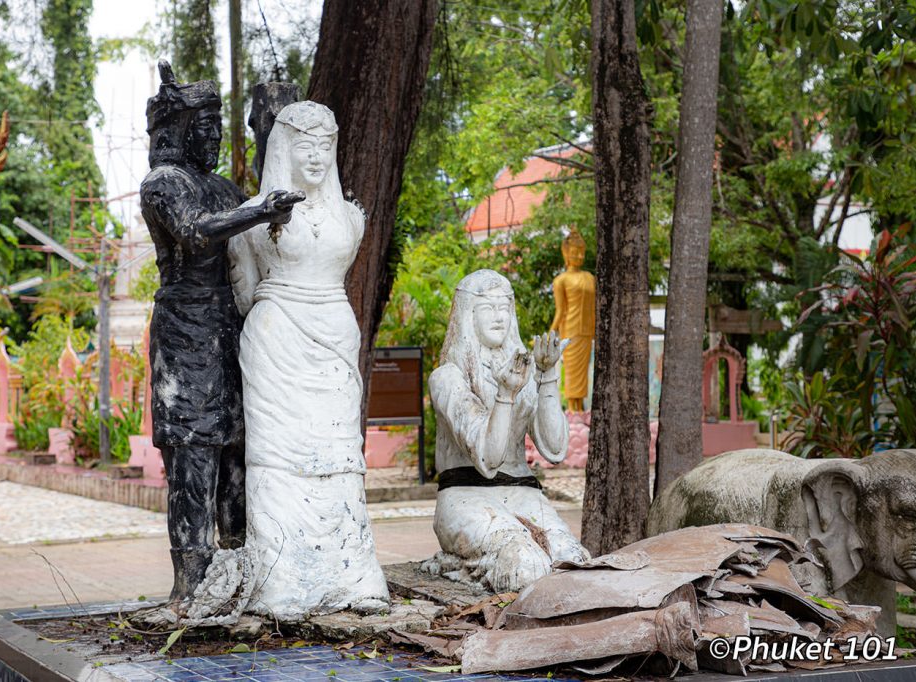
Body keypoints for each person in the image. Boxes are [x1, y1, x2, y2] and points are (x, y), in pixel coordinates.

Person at [139, 61, 302, 605]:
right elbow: (195, 233)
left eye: (217, 126)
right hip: (184, 337)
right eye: (201, 127)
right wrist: (257, 209)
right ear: (177, 131)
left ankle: (236, 573)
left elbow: (248, 233)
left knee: (236, 450)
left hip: (228, 329)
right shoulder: (164, 183)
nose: (210, 137)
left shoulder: (225, 186)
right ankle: (192, 587)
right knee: (193, 456)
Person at [227, 100, 389, 620]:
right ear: (282, 149)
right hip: (277, 341)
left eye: (325, 145)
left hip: (335, 340)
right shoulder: (254, 216)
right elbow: (245, 291)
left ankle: (353, 575)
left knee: (340, 454)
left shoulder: (353, 218)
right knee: (278, 460)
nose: (316, 156)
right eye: (304, 144)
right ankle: (281, 583)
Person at [423, 269, 590, 592]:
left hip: (522, 491)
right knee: (523, 564)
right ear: (468, 314)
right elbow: (488, 459)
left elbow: (555, 449)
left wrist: (547, 374)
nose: (499, 317)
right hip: (466, 495)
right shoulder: (447, 378)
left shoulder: (521, 370)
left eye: (505, 307)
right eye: (488, 308)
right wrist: (505, 394)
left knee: (573, 561)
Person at [550, 230, 596, 412]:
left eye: (581, 251)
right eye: (575, 251)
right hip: (570, 330)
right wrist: (551, 332)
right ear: (566, 254)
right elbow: (560, 311)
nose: (579, 255)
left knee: (583, 372)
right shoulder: (561, 280)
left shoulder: (589, 278)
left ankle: (580, 408)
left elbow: (593, 308)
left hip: (586, 331)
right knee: (571, 371)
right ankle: (571, 408)